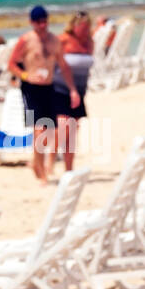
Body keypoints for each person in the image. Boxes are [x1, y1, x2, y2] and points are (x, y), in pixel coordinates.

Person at [9, 5, 80, 184]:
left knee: (50, 131)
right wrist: (27, 75)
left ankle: (37, 163)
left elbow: (63, 66)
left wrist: (72, 89)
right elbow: (11, 64)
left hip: (49, 87)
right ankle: (41, 174)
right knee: (39, 130)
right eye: (38, 22)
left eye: (44, 21)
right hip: (30, 88)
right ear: (32, 23)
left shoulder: (54, 41)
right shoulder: (26, 40)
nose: (42, 25)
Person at [54, 13, 94, 172]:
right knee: (64, 128)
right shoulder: (62, 40)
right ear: (74, 26)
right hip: (60, 88)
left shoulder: (90, 42)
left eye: (87, 28)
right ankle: (48, 158)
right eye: (82, 28)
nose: (85, 31)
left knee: (72, 132)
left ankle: (68, 169)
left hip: (80, 90)